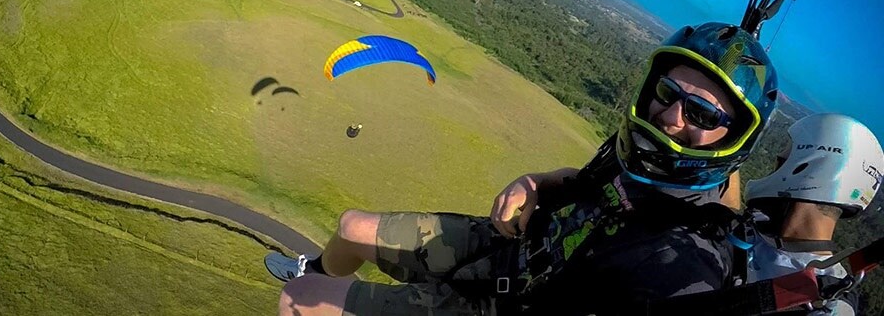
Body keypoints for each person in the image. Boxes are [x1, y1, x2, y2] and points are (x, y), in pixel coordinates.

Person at [265, 22, 779, 315]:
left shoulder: (688, 262)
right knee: (351, 227)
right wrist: (531, 182)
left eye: (703, 114)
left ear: (732, 138)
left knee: (299, 302)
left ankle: (316, 287)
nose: (671, 116)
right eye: (667, 94)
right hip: (515, 248)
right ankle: (318, 266)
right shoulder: (638, 154)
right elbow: (579, 181)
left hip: (512, 309)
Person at [740, 113, 884, 315]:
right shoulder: (832, 289)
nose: (778, 159)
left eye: (783, 159)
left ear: (805, 169)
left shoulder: (828, 306)